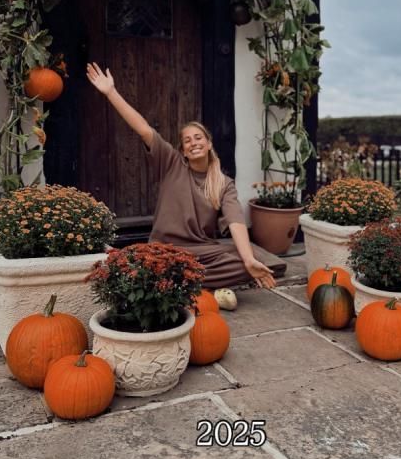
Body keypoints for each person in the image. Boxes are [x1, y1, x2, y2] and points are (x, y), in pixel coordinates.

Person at [86, 62, 277, 290]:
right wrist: (111, 92)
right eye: (187, 140)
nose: (193, 143)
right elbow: (144, 129)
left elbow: (235, 221)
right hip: (164, 249)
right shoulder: (171, 163)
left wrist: (247, 260)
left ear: (208, 144)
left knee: (254, 259)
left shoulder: (224, 183)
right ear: (183, 150)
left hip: (202, 251)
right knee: (247, 266)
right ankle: (174, 275)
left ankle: (171, 279)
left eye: (198, 138)